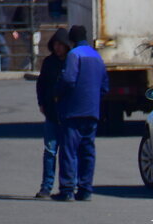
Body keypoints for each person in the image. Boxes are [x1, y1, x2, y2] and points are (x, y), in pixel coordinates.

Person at [53, 25, 108, 202]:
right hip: (92, 110)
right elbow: (105, 86)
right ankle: (85, 189)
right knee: (87, 151)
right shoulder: (97, 56)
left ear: (72, 40)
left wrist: (57, 93)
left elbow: (69, 79)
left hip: (74, 110)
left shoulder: (74, 55)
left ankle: (67, 189)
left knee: (69, 151)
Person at [35, 28, 71, 199]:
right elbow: (41, 84)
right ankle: (46, 186)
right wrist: (41, 103)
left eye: (61, 45)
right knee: (50, 151)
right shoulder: (49, 62)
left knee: (67, 152)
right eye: (55, 44)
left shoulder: (72, 61)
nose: (58, 48)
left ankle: (67, 186)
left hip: (67, 114)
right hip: (51, 113)